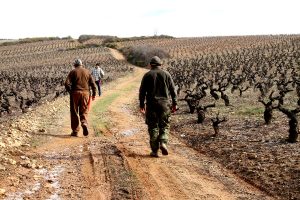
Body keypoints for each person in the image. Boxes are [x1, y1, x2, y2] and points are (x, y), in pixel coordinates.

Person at [139, 56, 178, 157]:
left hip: (151, 105)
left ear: (151, 65)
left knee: (153, 127)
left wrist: (141, 104)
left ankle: (155, 151)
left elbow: (142, 91)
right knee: (164, 125)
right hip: (165, 105)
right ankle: (163, 142)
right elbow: (173, 90)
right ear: (160, 64)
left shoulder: (147, 75)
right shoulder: (167, 74)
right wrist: (175, 103)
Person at [65, 59, 97, 137]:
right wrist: (93, 95)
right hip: (86, 93)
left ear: (75, 65)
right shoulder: (87, 72)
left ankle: (75, 131)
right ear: (82, 64)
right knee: (84, 110)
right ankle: (84, 123)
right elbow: (93, 85)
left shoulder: (73, 72)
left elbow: (66, 83)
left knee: (74, 112)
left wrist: (70, 92)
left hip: (75, 93)